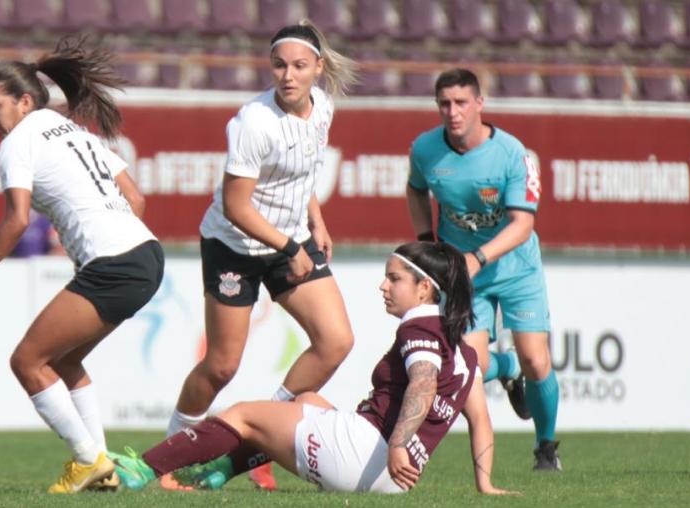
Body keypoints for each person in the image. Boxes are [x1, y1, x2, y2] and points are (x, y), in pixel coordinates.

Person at [112, 242, 515, 495]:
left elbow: (423, 385)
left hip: (367, 455)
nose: (383, 286)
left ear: (424, 288)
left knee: (242, 415)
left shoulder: (419, 330)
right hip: (391, 482)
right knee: (305, 400)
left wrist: (396, 445)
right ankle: (224, 470)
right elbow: (480, 420)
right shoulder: (465, 353)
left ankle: (143, 467)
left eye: (394, 279)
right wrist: (485, 484)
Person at [0, 37, 165, 494]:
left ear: (24, 102)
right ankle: (101, 467)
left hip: (116, 264)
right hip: (146, 254)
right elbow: (136, 197)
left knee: (27, 362)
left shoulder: (17, 142)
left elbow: (17, 220)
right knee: (65, 361)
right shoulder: (72, 129)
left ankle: (87, 461)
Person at [164, 20, 358, 490]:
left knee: (336, 341)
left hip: (291, 240)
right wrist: (291, 248)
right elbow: (236, 206)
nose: (288, 75)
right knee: (221, 366)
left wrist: (316, 221)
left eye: (299, 66)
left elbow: (304, 175)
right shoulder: (253, 122)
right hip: (235, 246)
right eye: (279, 65)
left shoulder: (324, 108)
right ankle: (170, 458)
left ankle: (262, 438)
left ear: (318, 68)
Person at [406, 68, 561, 471]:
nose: (452, 112)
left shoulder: (512, 153)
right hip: (463, 274)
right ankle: (507, 368)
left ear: (479, 103)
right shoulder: (425, 149)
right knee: (467, 365)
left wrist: (477, 257)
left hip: (515, 268)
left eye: (461, 102)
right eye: (444, 103)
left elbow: (522, 225)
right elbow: (415, 189)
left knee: (537, 361)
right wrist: (425, 239)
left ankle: (546, 447)